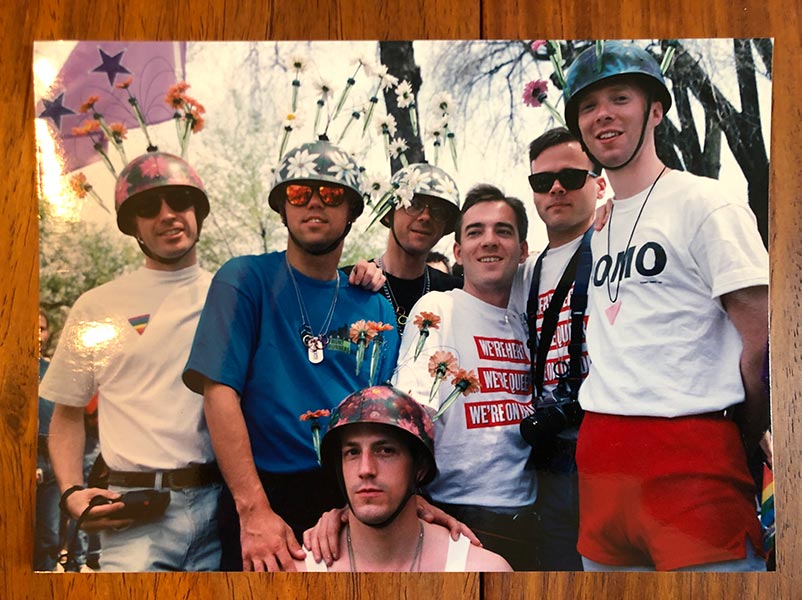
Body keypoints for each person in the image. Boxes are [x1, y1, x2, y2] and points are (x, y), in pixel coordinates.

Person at [563, 41, 769, 571]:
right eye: (588, 105)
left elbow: (765, 340)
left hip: (691, 458)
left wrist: (743, 434)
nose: (603, 114)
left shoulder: (707, 203)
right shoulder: (598, 228)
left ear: (655, 109)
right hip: (603, 462)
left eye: (620, 97)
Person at [182, 137, 402, 572]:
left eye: (332, 193)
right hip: (263, 494)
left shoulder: (376, 306)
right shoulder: (244, 279)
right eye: (299, 193)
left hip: (350, 500)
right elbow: (219, 393)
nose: (314, 203)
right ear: (283, 207)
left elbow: (383, 417)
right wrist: (254, 512)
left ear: (352, 212)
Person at [42, 151, 223, 571]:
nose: (167, 215)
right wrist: (70, 491)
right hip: (135, 513)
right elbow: (67, 411)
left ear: (198, 210)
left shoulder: (229, 296)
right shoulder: (97, 306)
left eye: (179, 200)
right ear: (133, 225)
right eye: (147, 207)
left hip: (220, 507)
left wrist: (369, 273)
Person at [392, 184, 538, 570]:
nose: (489, 241)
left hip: (531, 516)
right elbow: (409, 409)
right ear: (458, 253)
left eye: (503, 231)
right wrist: (407, 495)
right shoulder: (439, 308)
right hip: (458, 518)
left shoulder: (530, 317)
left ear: (523, 250)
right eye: (475, 232)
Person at [510, 127, 607, 571]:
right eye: (541, 181)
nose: (555, 188)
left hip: (611, 445)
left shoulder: (618, 242)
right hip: (552, 456)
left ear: (598, 182)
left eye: (571, 176)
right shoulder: (524, 273)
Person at [296, 384, 511, 572]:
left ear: (420, 467)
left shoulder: (482, 570)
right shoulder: (299, 572)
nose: (366, 469)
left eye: (385, 451)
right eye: (352, 453)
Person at [359, 163, 463, 333]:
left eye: (439, 210)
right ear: (388, 213)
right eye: (413, 204)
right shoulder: (355, 285)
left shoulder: (455, 295)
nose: (426, 217)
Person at [34, 308, 60, 571]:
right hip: (20, 458)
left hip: (52, 460)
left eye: (42, 328)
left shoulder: (53, 370)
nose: (37, 334)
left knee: (49, 536)